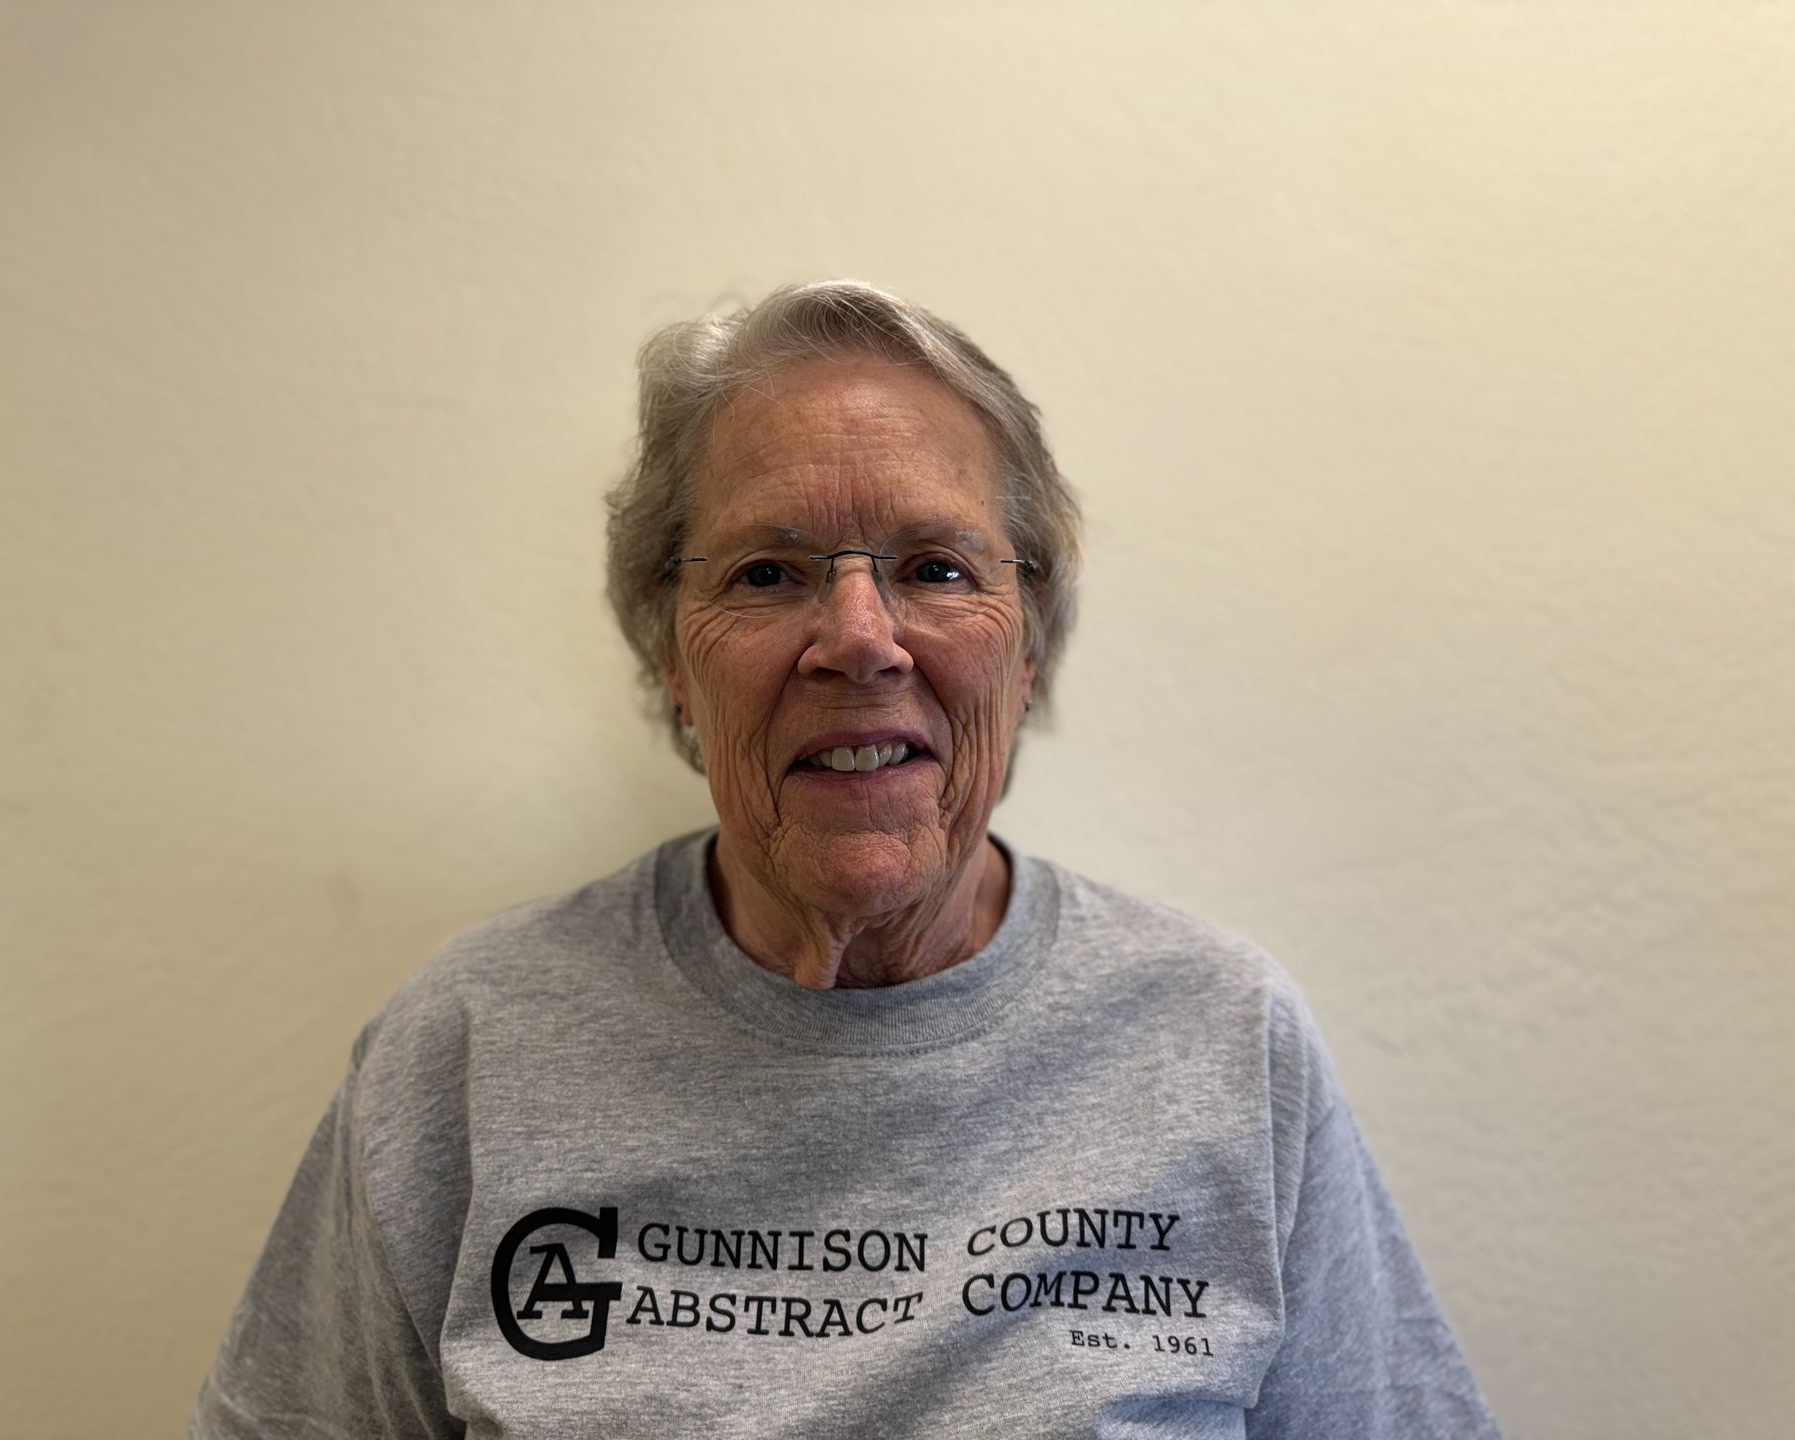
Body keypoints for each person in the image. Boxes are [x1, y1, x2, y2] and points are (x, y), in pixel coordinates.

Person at [187, 280, 1503, 1438]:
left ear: (1027, 642)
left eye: (934, 567)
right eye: (769, 573)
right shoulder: (467, 1050)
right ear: (672, 656)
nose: (862, 639)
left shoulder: (1219, 1041)